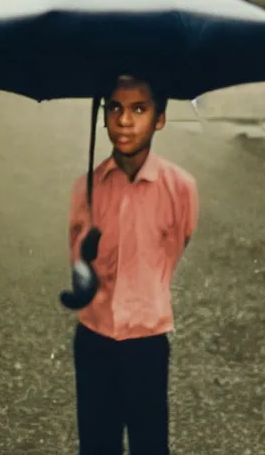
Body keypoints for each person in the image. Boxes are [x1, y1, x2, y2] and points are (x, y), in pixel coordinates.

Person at [68, 75, 199, 455]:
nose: (125, 120)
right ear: (103, 114)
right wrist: (84, 269)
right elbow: (75, 256)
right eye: (115, 108)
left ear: (159, 118)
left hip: (146, 340)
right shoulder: (86, 188)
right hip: (94, 338)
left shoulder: (180, 187)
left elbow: (176, 244)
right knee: (97, 442)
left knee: (149, 442)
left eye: (139, 109)